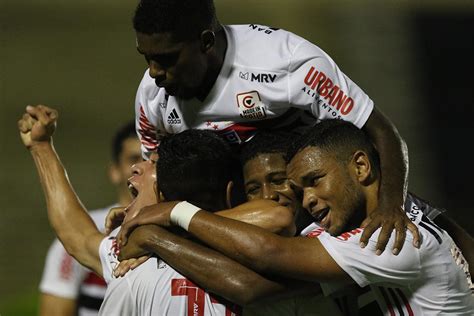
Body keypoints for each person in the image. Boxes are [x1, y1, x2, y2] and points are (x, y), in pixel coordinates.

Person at [132, 0, 419, 254]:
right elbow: (154, 167)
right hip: (234, 219)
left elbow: (382, 133)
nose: (154, 72)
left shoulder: (287, 64)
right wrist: (138, 216)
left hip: (317, 210)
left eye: (166, 59)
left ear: (206, 42)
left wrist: (391, 204)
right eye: (146, 58)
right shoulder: (152, 96)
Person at [118, 119, 474, 314]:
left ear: (361, 167)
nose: (310, 200)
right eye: (302, 189)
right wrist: (157, 239)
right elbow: (250, 285)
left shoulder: (393, 238)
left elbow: (267, 257)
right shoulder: (340, 237)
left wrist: (172, 214)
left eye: (315, 181)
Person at [19, 104, 304, 315]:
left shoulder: (135, 262)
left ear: (165, 195)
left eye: (151, 164)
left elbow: (77, 237)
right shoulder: (269, 253)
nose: (137, 168)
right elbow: (76, 234)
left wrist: (162, 225)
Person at [38, 121, 141, 316]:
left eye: (149, 159)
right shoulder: (83, 231)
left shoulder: (176, 228)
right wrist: (41, 146)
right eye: (133, 159)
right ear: (114, 171)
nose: (139, 168)